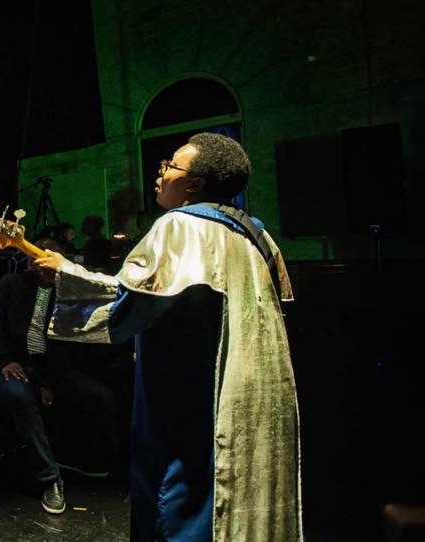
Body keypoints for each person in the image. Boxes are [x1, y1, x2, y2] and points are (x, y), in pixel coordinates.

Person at [35, 133, 302, 541]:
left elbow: (130, 308)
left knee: (180, 499)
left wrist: (66, 274)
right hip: (247, 395)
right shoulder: (258, 236)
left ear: (194, 184)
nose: (160, 173)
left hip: (187, 396)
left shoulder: (179, 227)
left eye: (171, 166)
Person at [0, 237, 122, 515]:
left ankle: (90, 459)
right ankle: (50, 478)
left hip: (49, 369)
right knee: (20, 396)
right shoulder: (10, 285)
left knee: (101, 396)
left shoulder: (63, 293)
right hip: (12, 364)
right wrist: (5, 360)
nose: (44, 268)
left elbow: (61, 344)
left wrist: (47, 381)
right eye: (39, 261)